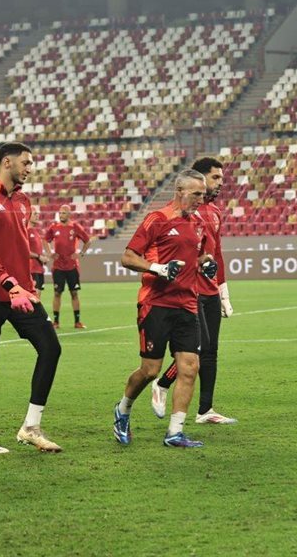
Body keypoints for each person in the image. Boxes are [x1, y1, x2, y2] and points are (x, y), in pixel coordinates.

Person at [0, 142, 63, 455]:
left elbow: (17, 249)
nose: (30, 169)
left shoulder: (23, 201)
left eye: (31, 163)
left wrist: (25, 286)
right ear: (6, 162)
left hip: (21, 292)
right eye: (26, 162)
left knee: (51, 347)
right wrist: (10, 284)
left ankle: (31, 427)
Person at [113, 169, 215, 449]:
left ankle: (175, 432)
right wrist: (158, 268)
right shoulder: (157, 219)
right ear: (179, 191)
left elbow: (198, 256)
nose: (200, 199)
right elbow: (128, 257)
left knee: (190, 367)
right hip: (155, 304)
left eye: (203, 195)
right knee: (150, 370)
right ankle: (122, 409)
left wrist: (206, 263)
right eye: (196, 194)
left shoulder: (199, 223)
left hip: (187, 304)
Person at [151, 156, 237, 424]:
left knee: (211, 351)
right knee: (199, 347)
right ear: (199, 179)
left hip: (210, 290)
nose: (220, 183)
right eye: (215, 177)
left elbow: (217, 253)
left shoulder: (215, 212)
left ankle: (205, 410)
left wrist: (223, 291)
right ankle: (162, 384)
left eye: (221, 178)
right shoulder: (183, 213)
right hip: (189, 290)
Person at [45, 204, 91, 330]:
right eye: (60, 213)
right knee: (57, 293)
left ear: (69, 214)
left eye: (64, 213)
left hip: (72, 266)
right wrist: (49, 253)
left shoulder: (75, 227)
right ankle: (56, 322)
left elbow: (88, 241)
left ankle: (77, 322)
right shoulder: (54, 227)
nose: (61, 215)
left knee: (74, 293)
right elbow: (45, 240)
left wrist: (81, 253)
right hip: (58, 267)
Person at [26, 208, 49, 297]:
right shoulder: (25, 231)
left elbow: (36, 250)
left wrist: (43, 257)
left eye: (37, 214)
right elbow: (24, 251)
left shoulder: (36, 231)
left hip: (39, 269)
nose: (37, 215)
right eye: (35, 214)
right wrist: (39, 257)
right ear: (28, 215)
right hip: (31, 269)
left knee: (37, 298)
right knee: (33, 298)